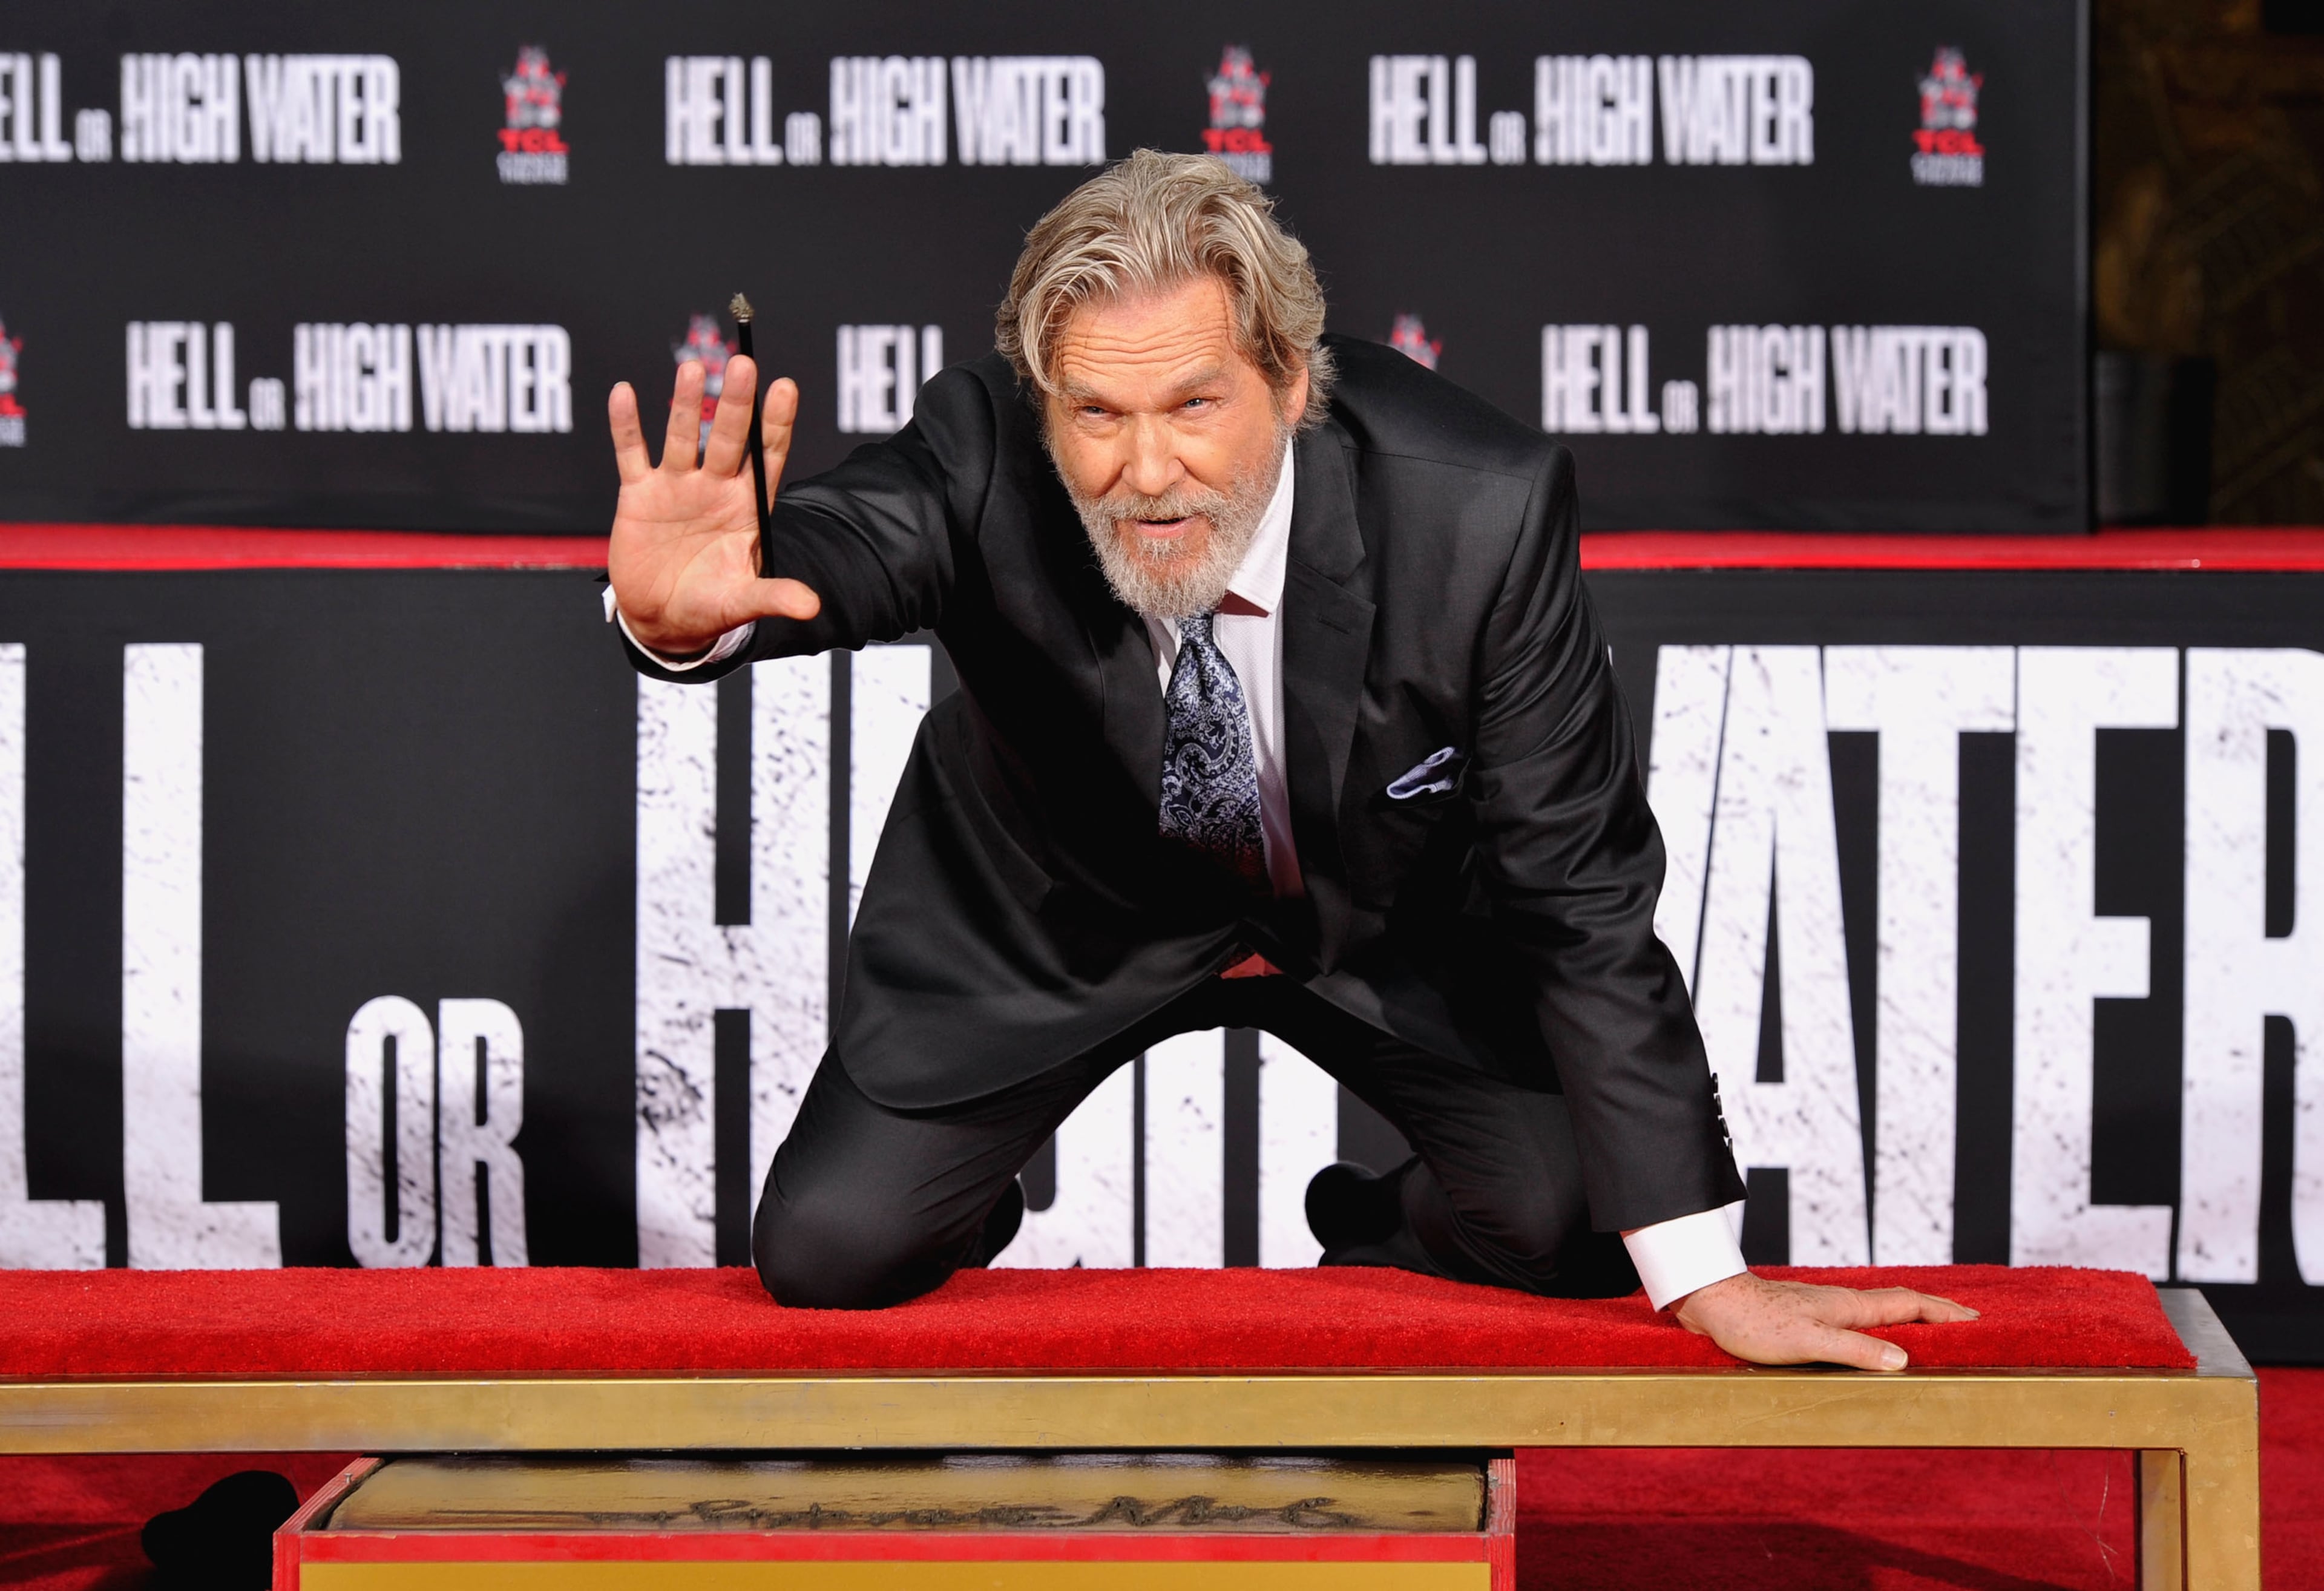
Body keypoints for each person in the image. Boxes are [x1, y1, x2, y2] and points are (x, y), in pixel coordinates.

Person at [605, 151, 1973, 1368]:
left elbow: (1580, 894)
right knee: (832, 1255)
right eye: (1096, 415)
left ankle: (1379, 1222)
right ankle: (971, 1182)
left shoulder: (1479, 516)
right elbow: (841, 552)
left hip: (1379, 934)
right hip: (1059, 924)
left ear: (1294, 380)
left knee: (1581, 1227)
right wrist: (687, 619)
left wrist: (1711, 1274)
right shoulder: (985, 455)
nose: (1146, 470)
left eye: (1196, 403)